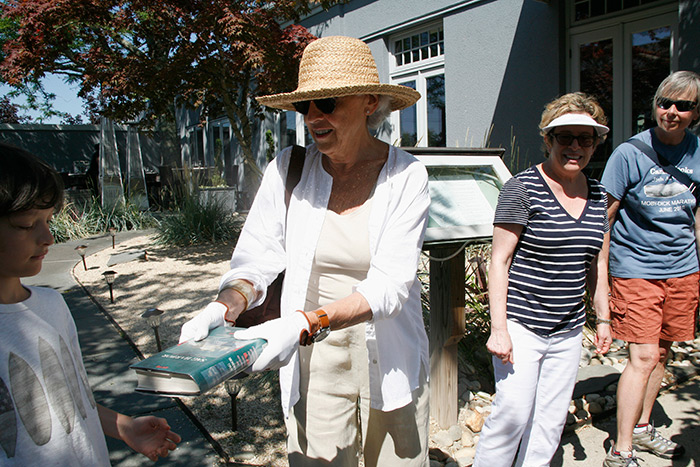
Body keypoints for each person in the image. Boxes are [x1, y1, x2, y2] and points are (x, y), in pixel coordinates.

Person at [179, 35, 429, 466]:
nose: (313, 116)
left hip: (387, 353)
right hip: (312, 354)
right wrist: (224, 306)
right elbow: (257, 256)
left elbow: (390, 287)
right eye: (304, 106)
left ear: (370, 102)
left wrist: (302, 322)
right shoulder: (288, 169)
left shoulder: (406, 175)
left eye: (327, 102)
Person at [0, 143, 181, 465]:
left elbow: (69, 398)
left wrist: (124, 427)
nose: (48, 238)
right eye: (26, 225)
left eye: (49, 220)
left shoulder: (51, 304)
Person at [472, 92, 613, 466]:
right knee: (512, 414)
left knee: (550, 422)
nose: (575, 147)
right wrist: (498, 329)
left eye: (586, 138)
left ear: (597, 142)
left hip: (568, 328)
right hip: (522, 325)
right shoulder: (522, 187)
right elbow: (499, 261)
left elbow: (599, 261)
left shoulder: (598, 194)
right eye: (565, 136)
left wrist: (604, 319)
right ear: (548, 139)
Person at [600, 71, 700, 466]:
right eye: (665, 103)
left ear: (695, 112)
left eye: (683, 106)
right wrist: (601, 279)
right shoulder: (629, 153)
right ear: (655, 105)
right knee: (641, 358)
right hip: (636, 268)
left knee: (661, 354)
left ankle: (642, 429)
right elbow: (603, 219)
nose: (671, 112)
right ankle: (620, 449)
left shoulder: (697, 151)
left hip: (683, 270)